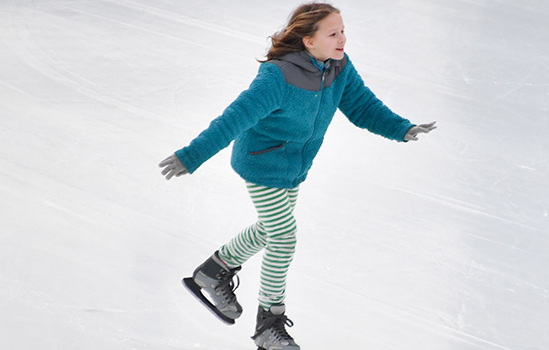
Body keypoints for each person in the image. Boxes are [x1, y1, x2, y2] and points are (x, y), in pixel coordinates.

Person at [158, 3, 436, 349]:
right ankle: (268, 324)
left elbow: (364, 107)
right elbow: (234, 118)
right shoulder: (278, 76)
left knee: (269, 229)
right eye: (333, 33)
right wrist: (192, 155)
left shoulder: (338, 68)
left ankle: (213, 272)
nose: (342, 39)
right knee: (284, 236)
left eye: (343, 30)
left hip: (294, 167)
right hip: (261, 166)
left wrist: (401, 128)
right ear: (308, 41)